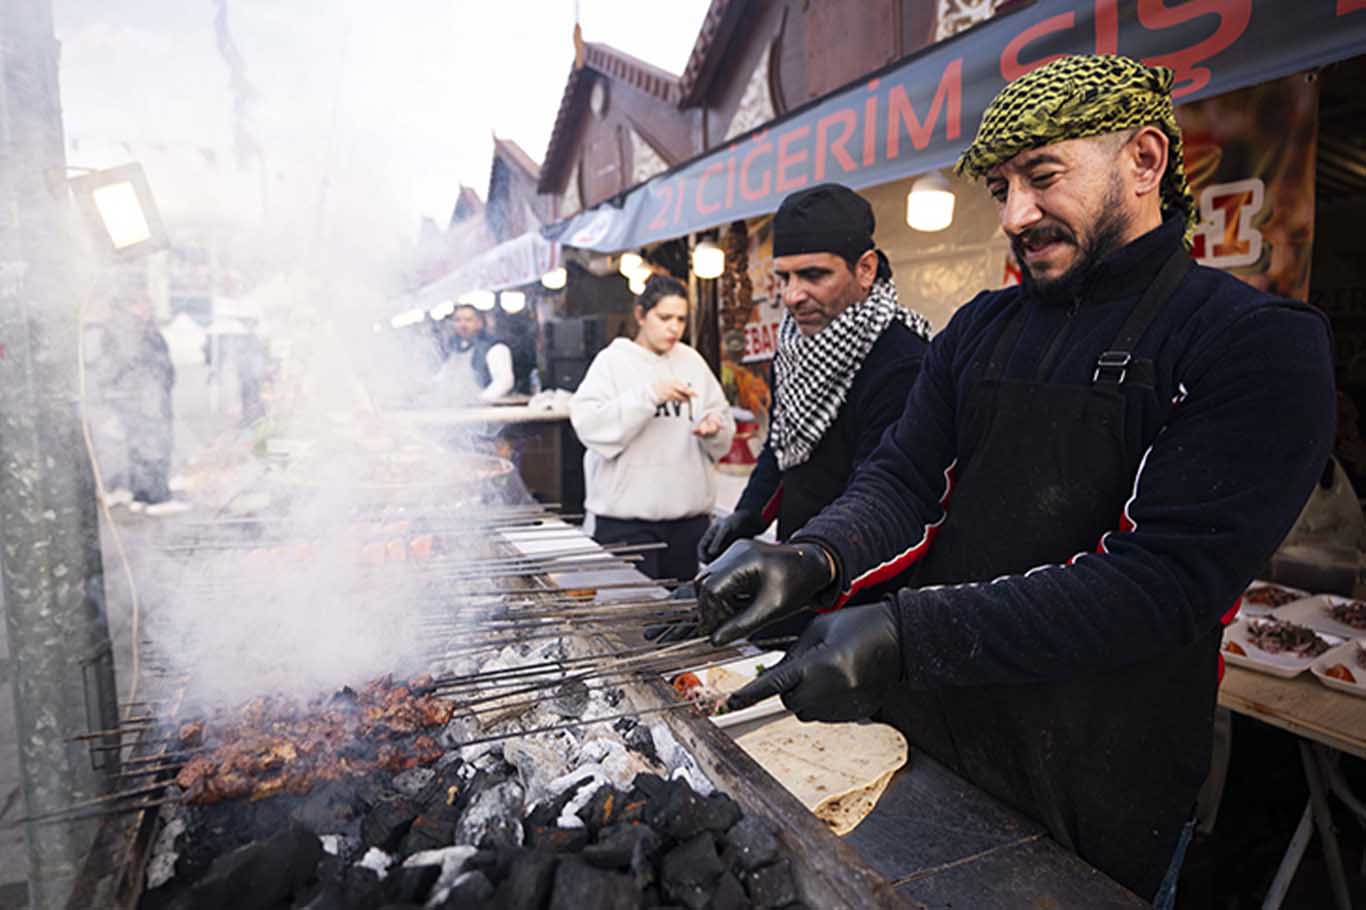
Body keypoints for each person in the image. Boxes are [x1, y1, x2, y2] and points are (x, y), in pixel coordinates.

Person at [689, 55, 1335, 904]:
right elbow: (904, 479)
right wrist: (814, 557)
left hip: (1100, 776)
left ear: (1143, 162)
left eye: (1042, 176)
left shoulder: (1253, 341)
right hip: (929, 736)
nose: (1017, 213)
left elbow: (1160, 584)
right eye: (1001, 187)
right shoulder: (982, 325)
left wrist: (902, 633)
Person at [695, 185, 931, 622]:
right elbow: (785, 445)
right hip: (797, 564)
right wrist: (747, 516)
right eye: (784, 277)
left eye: (813, 275)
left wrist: (808, 567)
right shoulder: (794, 345)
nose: (791, 295)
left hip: (863, 586)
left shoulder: (901, 360)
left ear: (865, 270)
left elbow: (884, 494)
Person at [570, 275, 735, 581]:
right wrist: (649, 396)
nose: (674, 327)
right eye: (664, 317)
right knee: (631, 620)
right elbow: (589, 426)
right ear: (641, 315)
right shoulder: (612, 362)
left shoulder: (692, 362)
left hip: (689, 522)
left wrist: (715, 427)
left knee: (684, 618)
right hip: (626, 523)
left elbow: (720, 420)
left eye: (682, 319)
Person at [437, 304, 515, 403]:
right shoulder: (454, 348)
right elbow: (443, 377)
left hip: (487, 411)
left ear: (479, 323)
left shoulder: (495, 347)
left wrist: (480, 400)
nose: (462, 325)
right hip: (457, 408)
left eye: (468, 320)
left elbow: (504, 381)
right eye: (457, 320)